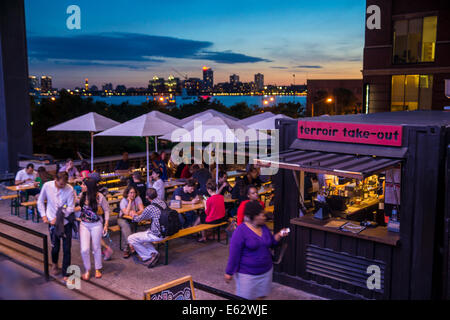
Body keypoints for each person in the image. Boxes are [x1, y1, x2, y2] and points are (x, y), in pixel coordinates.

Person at [224, 201, 288, 300]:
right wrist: (229, 272)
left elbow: (271, 242)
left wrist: (279, 235)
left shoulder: (264, 227)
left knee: (261, 297)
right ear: (253, 217)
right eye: (261, 214)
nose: (264, 217)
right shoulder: (240, 231)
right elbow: (234, 255)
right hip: (247, 275)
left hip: (265, 272)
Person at [37, 172, 76, 282]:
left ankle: (66, 273)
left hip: (65, 222)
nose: (63, 186)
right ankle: (54, 263)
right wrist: (44, 215)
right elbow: (40, 201)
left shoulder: (69, 189)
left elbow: (70, 208)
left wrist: (59, 217)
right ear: (55, 179)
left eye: (64, 184)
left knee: (67, 248)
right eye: (60, 184)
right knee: (55, 247)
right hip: (52, 221)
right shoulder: (47, 186)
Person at [76, 178, 109, 280]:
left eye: (83, 184)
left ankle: (97, 269)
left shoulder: (99, 196)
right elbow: (75, 203)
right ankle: (87, 269)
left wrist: (106, 225)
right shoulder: (82, 195)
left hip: (96, 225)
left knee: (96, 248)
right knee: (84, 249)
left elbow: (106, 210)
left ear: (88, 186)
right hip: (84, 224)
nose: (81, 186)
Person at [127, 188, 166, 268]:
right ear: (156, 195)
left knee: (131, 238)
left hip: (158, 234)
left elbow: (138, 219)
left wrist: (133, 214)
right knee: (143, 236)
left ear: (147, 197)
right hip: (167, 231)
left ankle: (148, 257)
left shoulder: (150, 207)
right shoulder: (163, 203)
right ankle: (153, 253)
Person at [118, 185, 144, 258]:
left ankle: (129, 247)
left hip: (133, 218)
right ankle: (129, 246)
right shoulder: (123, 201)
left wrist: (136, 213)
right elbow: (126, 213)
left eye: (134, 193)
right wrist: (130, 201)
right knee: (126, 226)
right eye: (131, 193)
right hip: (122, 218)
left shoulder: (137, 198)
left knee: (130, 227)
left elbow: (142, 209)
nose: (133, 194)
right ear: (127, 193)